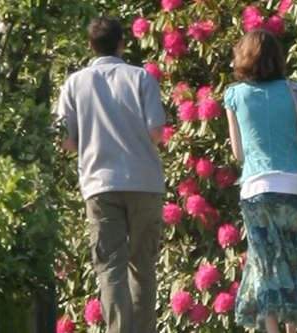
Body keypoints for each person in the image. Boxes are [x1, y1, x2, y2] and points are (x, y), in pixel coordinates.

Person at [54, 16, 167, 333]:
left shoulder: (75, 83)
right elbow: (157, 132)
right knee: (143, 267)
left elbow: (65, 142)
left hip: (99, 184)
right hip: (144, 182)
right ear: (122, 43)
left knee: (110, 269)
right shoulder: (142, 78)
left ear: (90, 46)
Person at [222, 30, 297, 333]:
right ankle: (293, 328)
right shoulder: (294, 90)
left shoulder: (234, 95)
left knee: (265, 265)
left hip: (256, 189)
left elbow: (238, 153)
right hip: (295, 187)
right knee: (293, 259)